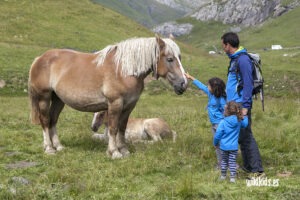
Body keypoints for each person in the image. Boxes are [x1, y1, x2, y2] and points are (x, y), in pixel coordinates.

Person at [221, 32, 264, 178]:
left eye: (223, 45)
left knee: (246, 136)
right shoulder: (235, 59)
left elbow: (248, 84)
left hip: (240, 105)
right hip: (234, 104)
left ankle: (257, 171)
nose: (223, 48)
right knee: (241, 136)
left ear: (228, 45)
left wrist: (245, 106)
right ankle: (248, 166)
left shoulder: (243, 60)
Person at [185, 73, 226, 169]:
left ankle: (227, 163)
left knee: (222, 145)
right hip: (214, 124)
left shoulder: (221, 99)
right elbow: (201, 86)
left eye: (209, 85)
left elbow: (225, 111)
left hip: (220, 124)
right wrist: (191, 78)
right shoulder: (210, 94)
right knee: (217, 145)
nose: (207, 87)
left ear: (214, 88)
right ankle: (221, 163)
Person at [214, 101, 248, 183]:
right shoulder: (239, 121)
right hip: (233, 147)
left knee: (224, 161)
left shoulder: (223, 122)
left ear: (226, 111)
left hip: (223, 147)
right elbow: (245, 125)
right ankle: (232, 178)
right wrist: (245, 115)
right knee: (232, 162)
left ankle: (223, 176)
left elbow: (218, 134)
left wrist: (215, 143)